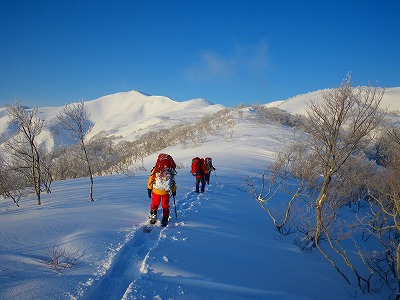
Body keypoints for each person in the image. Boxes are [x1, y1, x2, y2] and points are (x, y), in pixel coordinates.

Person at [147, 154, 177, 226]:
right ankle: (165, 218)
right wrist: (174, 190)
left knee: (155, 203)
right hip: (166, 191)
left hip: (156, 190)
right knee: (165, 205)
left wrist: (149, 188)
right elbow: (173, 182)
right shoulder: (170, 170)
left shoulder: (156, 168)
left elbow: (151, 179)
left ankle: (153, 216)